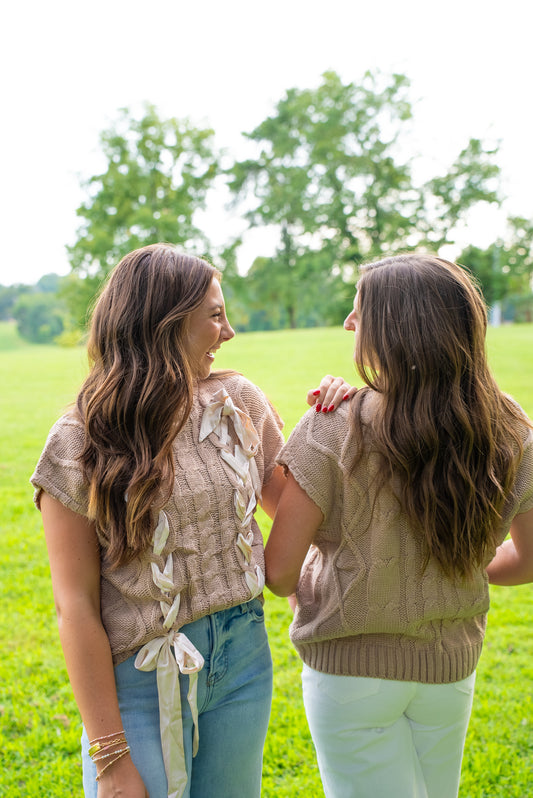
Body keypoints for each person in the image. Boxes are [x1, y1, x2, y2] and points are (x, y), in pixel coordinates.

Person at [31, 243, 353, 798]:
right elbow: (74, 605)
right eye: (215, 315)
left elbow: (295, 509)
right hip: (138, 678)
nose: (228, 333)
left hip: (242, 658)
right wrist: (109, 759)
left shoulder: (237, 402)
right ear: (166, 322)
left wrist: (333, 416)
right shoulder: (78, 440)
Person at [264, 253, 533, 798]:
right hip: (450, 669)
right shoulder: (508, 423)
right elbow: (528, 560)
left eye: (358, 311)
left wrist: (313, 592)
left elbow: (278, 573)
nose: (347, 323)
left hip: (350, 673)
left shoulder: (332, 424)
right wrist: (455, 559)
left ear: (394, 326)